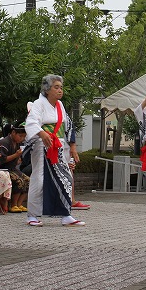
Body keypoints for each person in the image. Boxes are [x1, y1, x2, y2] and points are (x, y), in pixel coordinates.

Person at [23, 75, 85, 227]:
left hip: (58, 145)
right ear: (47, 89)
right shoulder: (38, 104)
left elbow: (68, 126)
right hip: (42, 145)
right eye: (56, 87)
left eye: (61, 87)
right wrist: (42, 133)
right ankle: (32, 215)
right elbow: (31, 123)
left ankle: (65, 213)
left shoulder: (60, 106)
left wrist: (72, 147)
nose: (60, 90)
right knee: (39, 178)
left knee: (65, 177)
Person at [0, 123, 30, 212]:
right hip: (4, 169)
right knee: (19, 181)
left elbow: (16, 159)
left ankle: (19, 204)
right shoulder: (4, 142)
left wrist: (18, 158)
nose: (22, 139)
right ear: (13, 132)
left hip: (13, 168)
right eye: (20, 136)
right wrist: (16, 155)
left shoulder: (17, 143)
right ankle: (13, 204)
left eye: (24, 137)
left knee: (28, 180)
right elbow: (2, 160)